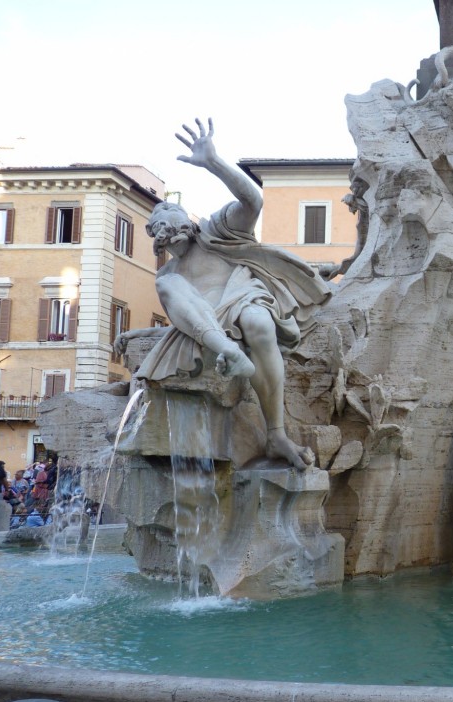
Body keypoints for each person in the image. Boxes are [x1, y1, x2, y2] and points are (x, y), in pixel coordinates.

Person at [114, 119, 334, 470]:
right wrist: (138, 334)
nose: (165, 223)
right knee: (166, 283)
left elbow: (252, 201)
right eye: (158, 223)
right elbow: (179, 324)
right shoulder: (169, 276)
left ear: (188, 220)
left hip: (243, 299)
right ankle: (229, 351)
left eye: (171, 214)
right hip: (211, 328)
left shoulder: (216, 232)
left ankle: (276, 433)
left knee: (259, 322)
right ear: (152, 235)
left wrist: (213, 162)